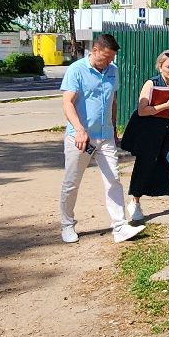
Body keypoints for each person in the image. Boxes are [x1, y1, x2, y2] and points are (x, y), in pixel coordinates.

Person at [58, 33, 143, 244]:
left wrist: (114, 128)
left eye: (112, 58)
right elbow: (68, 103)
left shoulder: (112, 71)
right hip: (82, 139)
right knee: (72, 182)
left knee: (113, 178)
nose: (109, 62)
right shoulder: (77, 70)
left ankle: (119, 226)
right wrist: (79, 129)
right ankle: (67, 225)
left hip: (105, 137)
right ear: (94, 50)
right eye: (105, 57)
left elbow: (112, 101)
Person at [119, 49, 169, 224]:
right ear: (160, 66)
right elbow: (142, 110)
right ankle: (135, 202)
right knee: (145, 165)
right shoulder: (151, 84)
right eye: (168, 67)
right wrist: (165, 106)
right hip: (151, 131)